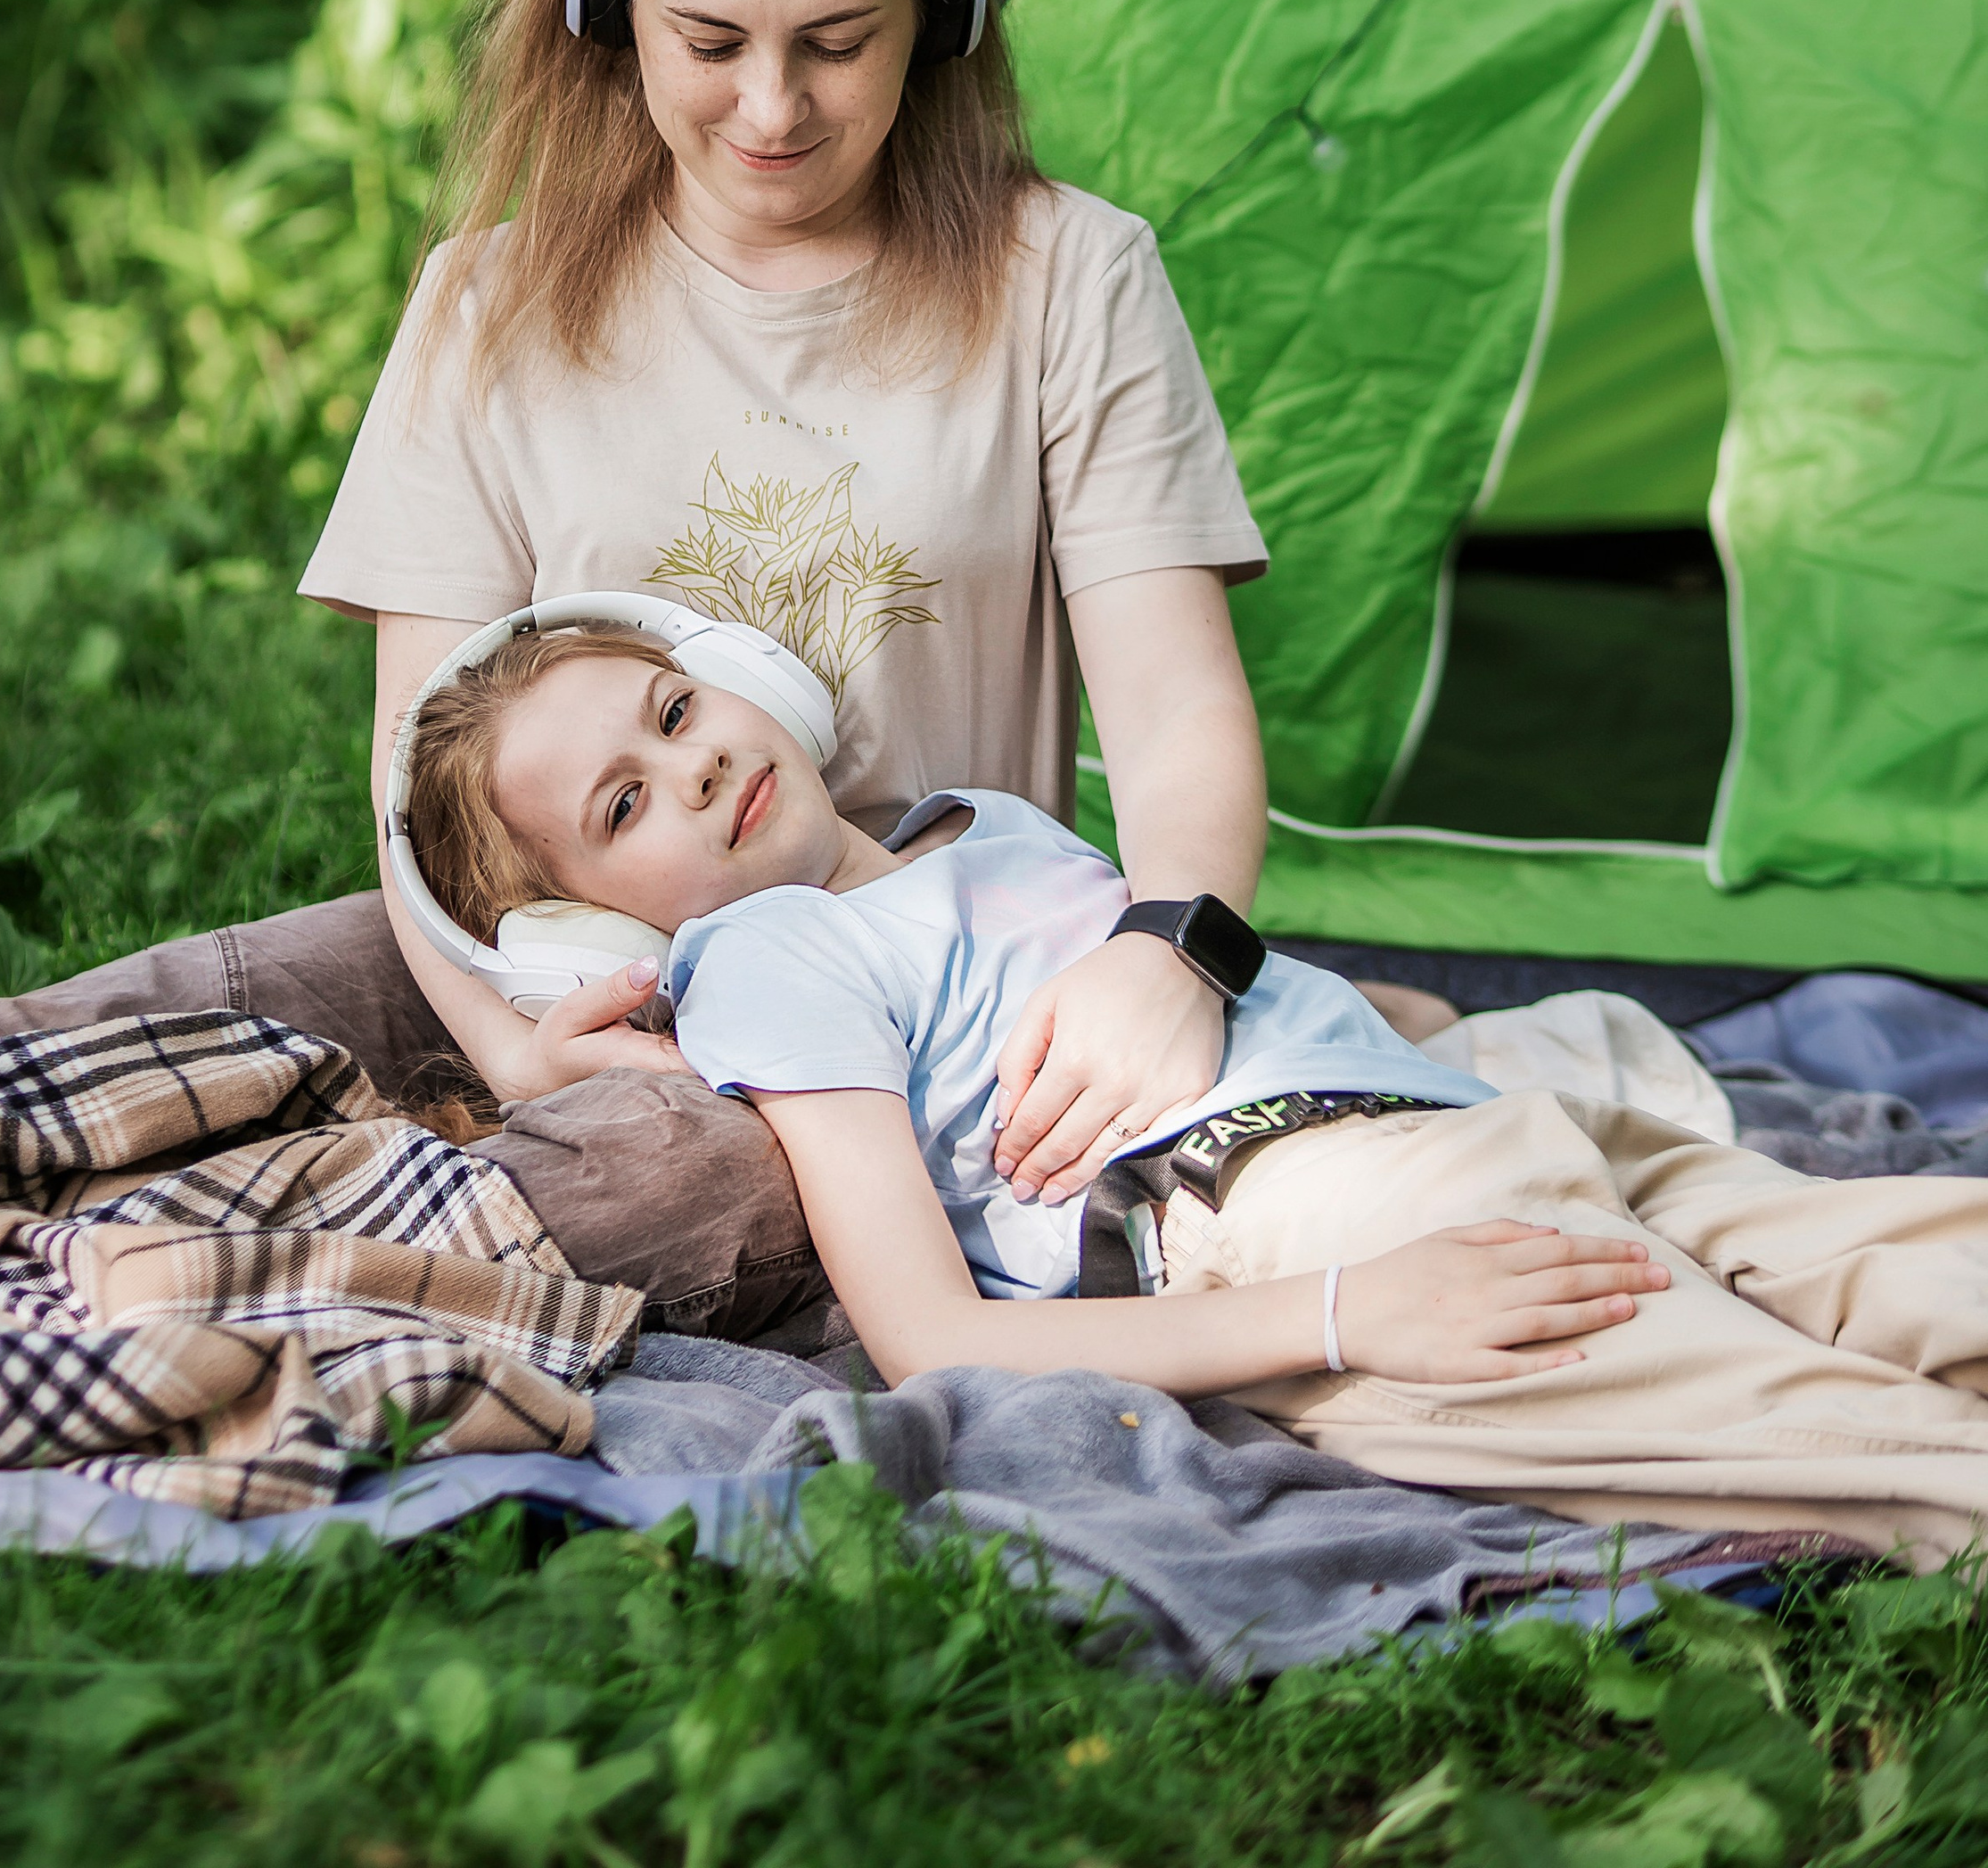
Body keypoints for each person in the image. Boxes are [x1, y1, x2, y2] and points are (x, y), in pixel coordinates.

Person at [402, 618, 1988, 1571]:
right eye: (625, 804)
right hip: (1302, 1220)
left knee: (1916, 1256)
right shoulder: (770, 956)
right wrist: (1353, 1318)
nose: (686, 769)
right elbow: (936, 1337)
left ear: (744, 683)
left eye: (676, 713)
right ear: (600, 930)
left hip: (1453, 1112)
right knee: (1849, 1448)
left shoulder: (992, 822)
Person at [300, 0, 1272, 1209]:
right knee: (215, 995)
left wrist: (1174, 954)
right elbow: (415, 789)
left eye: (836, 44)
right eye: (710, 44)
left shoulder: (1074, 276)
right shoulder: (478, 308)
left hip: (935, 1022)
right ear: (612, 11)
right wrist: (523, 1067)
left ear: (936, 17)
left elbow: (1176, 706)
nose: (772, 109)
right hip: (629, 1012)